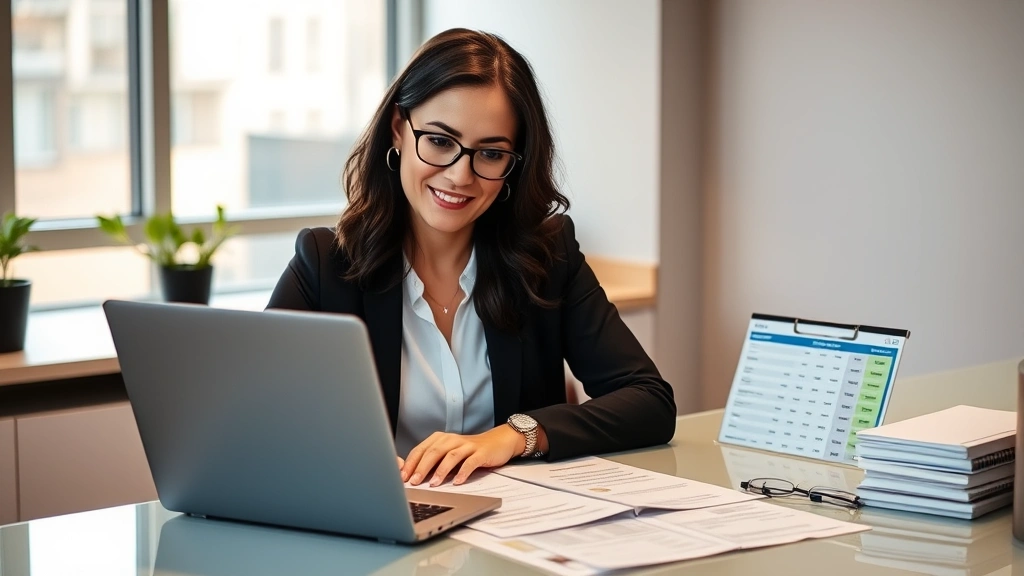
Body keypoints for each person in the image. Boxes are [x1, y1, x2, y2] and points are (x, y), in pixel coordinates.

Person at [267, 28, 675, 488]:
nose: (461, 176)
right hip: (377, 522)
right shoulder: (324, 265)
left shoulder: (547, 257)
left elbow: (650, 401)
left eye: (491, 153)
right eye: (440, 141)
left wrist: (515, 435)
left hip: (515, 525)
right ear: (399, 129)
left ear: (514, 163)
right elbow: (252, 419)